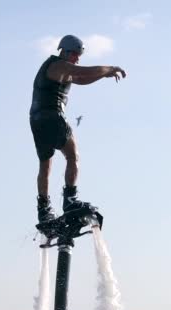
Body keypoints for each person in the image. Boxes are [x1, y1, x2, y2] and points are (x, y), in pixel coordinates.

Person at [29, 34, 126, 223]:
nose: (77, 58)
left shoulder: (59, 69)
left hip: (37, 120)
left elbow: (80, 78)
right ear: (65, 51)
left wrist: (102, 76)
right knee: (72, 156)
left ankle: (43, 210)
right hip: (52, 116)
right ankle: (70, 200)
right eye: (75, 54)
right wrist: (109, 69)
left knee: (45, 164)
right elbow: (82, 71)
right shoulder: (59, 65)